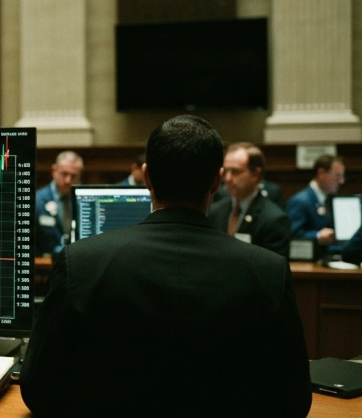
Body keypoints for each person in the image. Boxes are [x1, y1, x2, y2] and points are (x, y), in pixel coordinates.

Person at [20, 115, 311, 417]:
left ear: (147, 177)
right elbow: (293, 400)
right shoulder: (269, 271)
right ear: (216, 180)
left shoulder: (80, 263)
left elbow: (39, 388)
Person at [208, 142, 292, 258]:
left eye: (235, 172)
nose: (227, 178)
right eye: (226, 171)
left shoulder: (274, 220)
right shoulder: (213, 211)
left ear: (256, 174)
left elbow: (272, 271)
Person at [286, 154, 345, 258]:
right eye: (337, 175)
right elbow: (292, 236)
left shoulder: (332, 199)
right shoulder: (300, 201)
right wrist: (318, 236)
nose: (341, 181)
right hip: (311, 261)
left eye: (342, 176)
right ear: (321, 173)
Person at [35, 151, 83, 256]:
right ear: (54, 171)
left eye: (74, 176)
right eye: (64, 174)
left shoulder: (83, 201)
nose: (68, 180)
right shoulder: (37, 200)